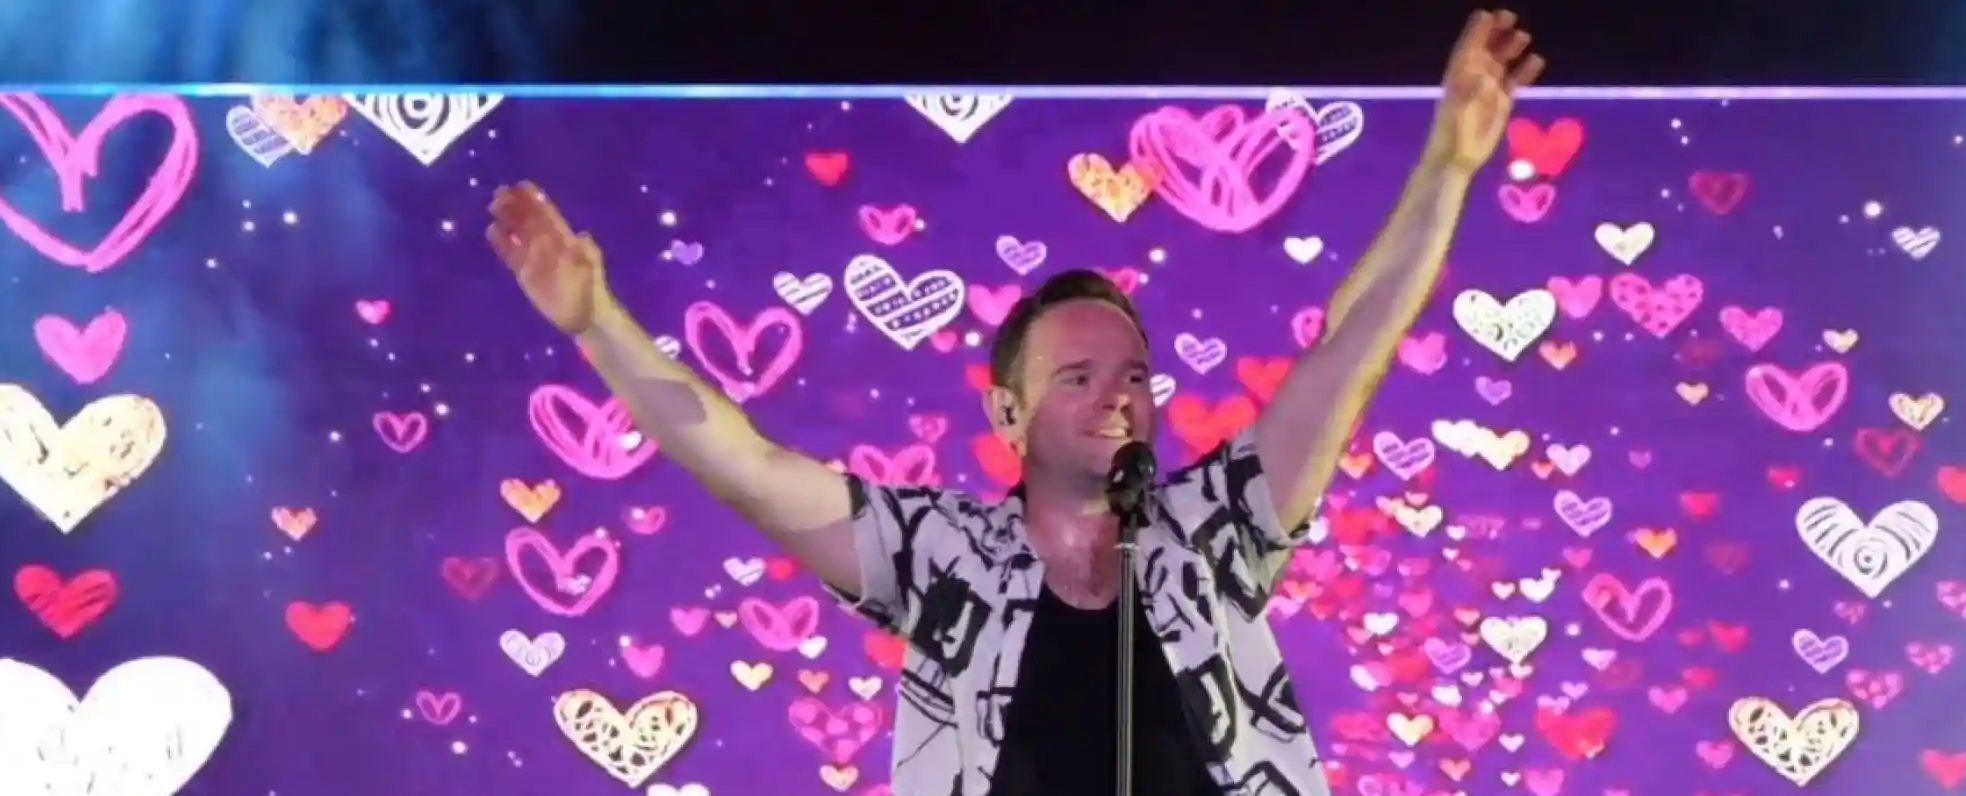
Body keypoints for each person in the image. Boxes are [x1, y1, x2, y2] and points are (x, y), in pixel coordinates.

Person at [486, 11, 1541, 796]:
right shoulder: (940, 557)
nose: (1116, 398)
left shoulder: (1213, 531)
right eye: (1076, 378)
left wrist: (1448, 165)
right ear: (1007, 417)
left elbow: (1351, 350)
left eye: (1132, 375)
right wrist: (597, 323)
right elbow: (745, 466)